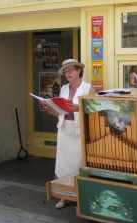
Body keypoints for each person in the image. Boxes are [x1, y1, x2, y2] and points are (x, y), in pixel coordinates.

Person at [41, 59, 96, 209]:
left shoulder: (89, 88)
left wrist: (79, 108)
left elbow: (94, 112)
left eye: (71, 70)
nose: (68, 73)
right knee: (63, 165)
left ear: (79, 71)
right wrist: (49, 108)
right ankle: (64, 197)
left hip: (80, 132)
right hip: (64, 130)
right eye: (66, 71)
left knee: (78, 165)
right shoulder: (63, 88)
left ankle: (80, 198)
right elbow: (59, 112)